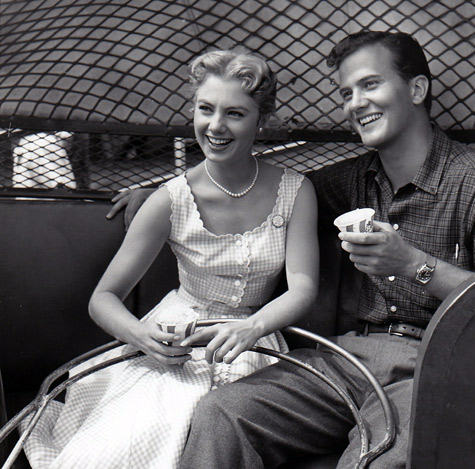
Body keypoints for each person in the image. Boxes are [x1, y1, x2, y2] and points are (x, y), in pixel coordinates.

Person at [107, 31, 475, 468]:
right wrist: (165, 193)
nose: (355, 103)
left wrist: (414, 265)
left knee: (376, 459)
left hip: (436, 361)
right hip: (349, 358)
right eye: (346, 93)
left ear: (417, 89)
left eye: (370, 84)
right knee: (221, 414)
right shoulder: (353, 179)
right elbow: (255, 187)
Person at [19, 50, 319, 468]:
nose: (215, 126)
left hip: (251, 338)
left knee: (215, 432)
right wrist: (141, 337)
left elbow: (303, 287)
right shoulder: (169, 199)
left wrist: (253, 325)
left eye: (234, 113)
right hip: (176, 339)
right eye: (205, 109)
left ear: (260, 120)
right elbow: (103, 297)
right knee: (134, 439)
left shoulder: (295, 190)